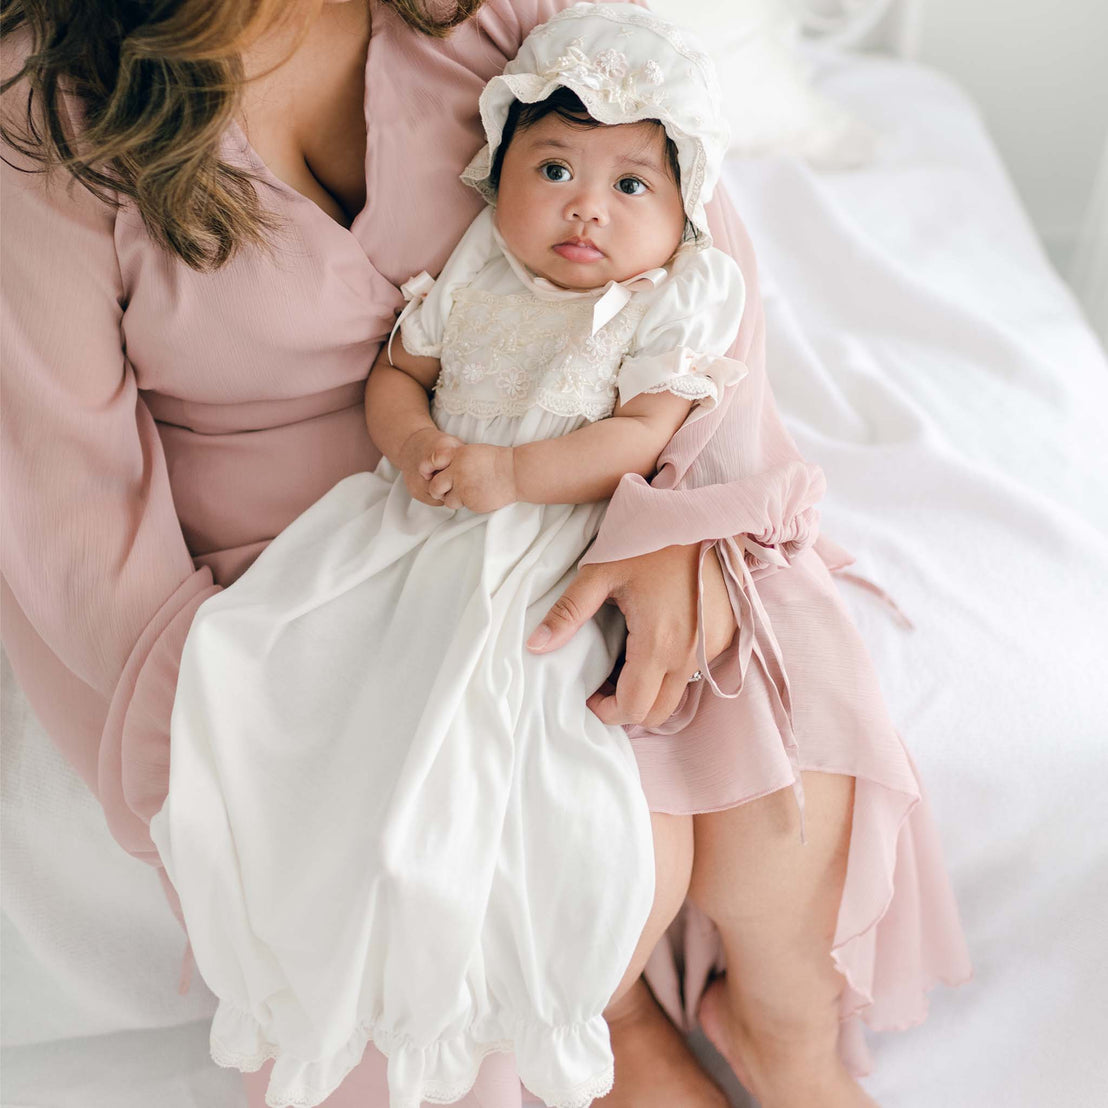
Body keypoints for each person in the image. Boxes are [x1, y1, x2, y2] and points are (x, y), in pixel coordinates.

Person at [0, 1, 971, 1107]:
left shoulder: (490, 15)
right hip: (295, 599)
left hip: (573, 486)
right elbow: (70, 507)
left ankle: (781, 1035)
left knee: (770, 665)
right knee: (461, 835)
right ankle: (616, 1024)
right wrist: (234, 725)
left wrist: (664, 515)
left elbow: (700, 261)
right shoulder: (47, 116)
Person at [152, 9, 752, 1106]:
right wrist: (418, 442)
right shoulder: (477, 268)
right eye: (557, 168)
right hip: (418, 515)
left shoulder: (667, 298)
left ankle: (651, 1004)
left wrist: (540, 485)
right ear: (499, 169)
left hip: (550, 528)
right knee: (292, 658)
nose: (585, 206)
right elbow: (400, 373)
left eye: (630, 186)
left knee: (533, 722)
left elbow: (645, 432)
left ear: (679, 212)